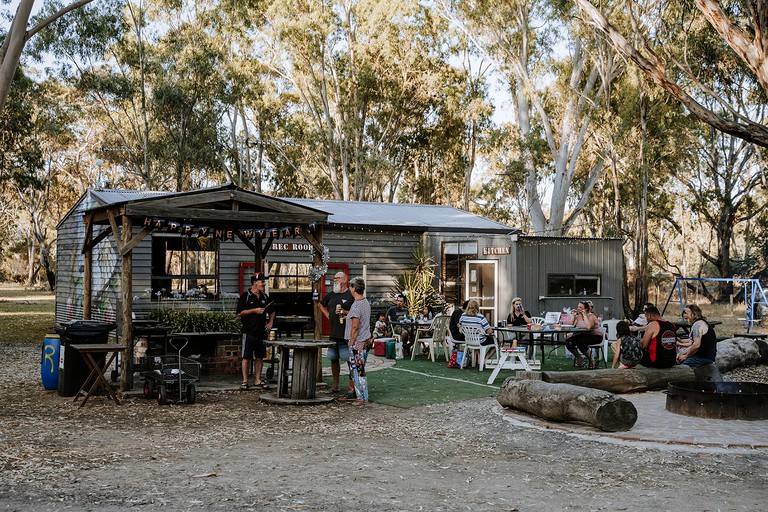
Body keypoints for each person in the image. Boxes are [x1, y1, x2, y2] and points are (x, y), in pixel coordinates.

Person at [236, 271, 275, 390]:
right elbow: (239, 313)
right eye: (262, 282)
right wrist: (254, 310)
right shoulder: (245, 296)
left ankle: (258, 380)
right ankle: (245, 381)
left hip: (261, 332)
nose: (264, 284)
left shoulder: (264, 296)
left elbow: (272, 310)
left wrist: (270, 323)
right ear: (255, 283)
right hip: (248, 332)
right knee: (246, 357)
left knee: (260, 357)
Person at [318, 271, 355, 394]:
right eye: (334, 278)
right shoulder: (331, 294)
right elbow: (320, 304)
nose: (335, 280)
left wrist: (346, 313)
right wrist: (327, 314)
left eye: (338, 278)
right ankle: (335, 386)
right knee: (333, 359)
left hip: (346, 334)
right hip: (333, 334)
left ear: (345, 280)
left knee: (350, 360)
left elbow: (357, 313)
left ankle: (353, 387)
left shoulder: (351, 295)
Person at [343, 277, 371, 405]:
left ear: (354, 288)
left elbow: (355, 327)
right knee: (360, 369)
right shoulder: (365, 302)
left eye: (350, 287)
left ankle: (362, 397)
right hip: (365, 340)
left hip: (357, 342)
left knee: (357, 370)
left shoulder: (356, 306)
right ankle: (362, 395)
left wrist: (351, 342)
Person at [563, 301, 603, 368]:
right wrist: (573, 316)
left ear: (586, 309)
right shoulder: (578, 317)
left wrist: (584, 315)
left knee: (580, 343)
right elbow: (570, 326)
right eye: (578, 307)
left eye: (580, 307)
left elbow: (589, 327)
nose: (578, 308)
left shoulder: (591, 316)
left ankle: (591, 361)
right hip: (583, 335)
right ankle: (579, 357)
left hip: (595, 336)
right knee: (568, 341)